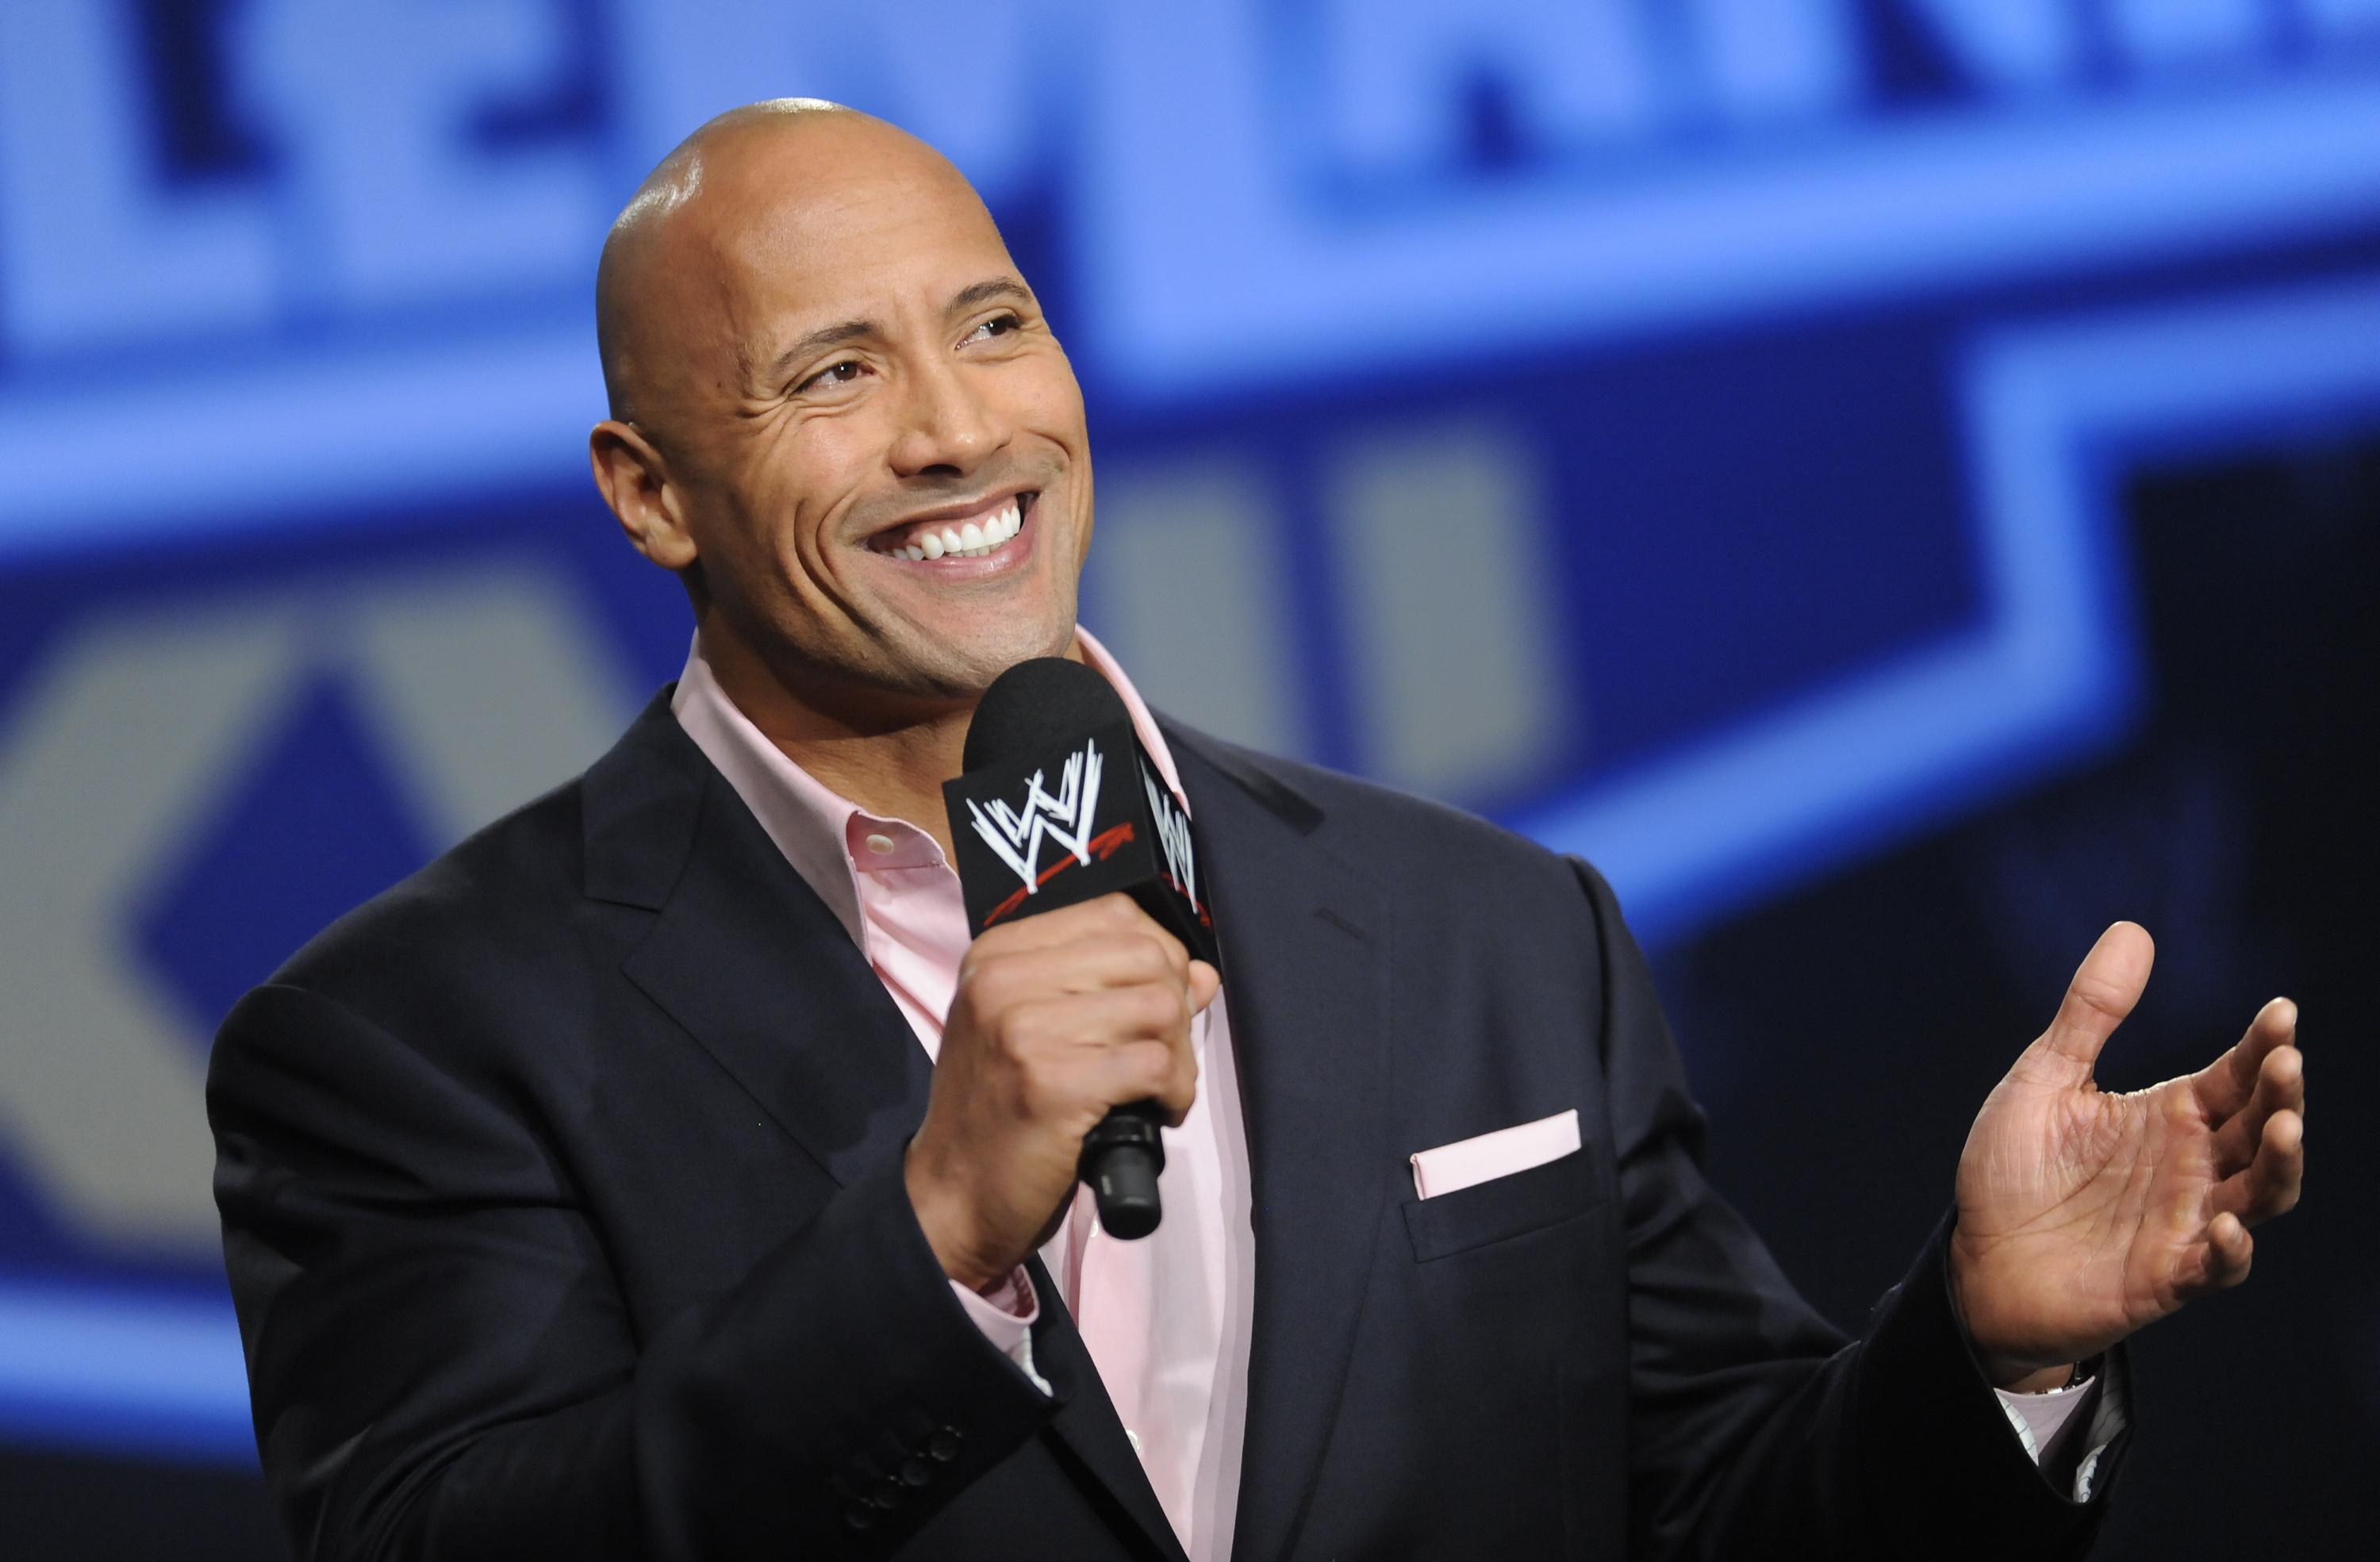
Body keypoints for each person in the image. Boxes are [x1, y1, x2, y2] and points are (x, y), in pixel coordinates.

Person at [207, 101, 2306, 1562]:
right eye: (833, 374)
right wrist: (931, 1243)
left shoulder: (1491, 930)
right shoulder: (411, 1039)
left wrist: (1991, 1353)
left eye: (996, 325)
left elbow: (1722, 1515)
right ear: (650, 491)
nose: (959, 430)